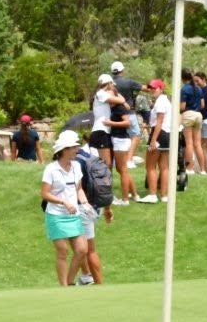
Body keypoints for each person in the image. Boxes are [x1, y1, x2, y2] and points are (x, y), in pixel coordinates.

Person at [40, 129, 90, 286]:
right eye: (74, 147)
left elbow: (79, 189)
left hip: (73, 215)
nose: (77, 150)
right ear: (65, 149)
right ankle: (64, 286)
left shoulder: (76, 166)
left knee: (82, 249)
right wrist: (64, 202)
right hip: (56, 215)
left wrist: (85, 203)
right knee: (63, 251)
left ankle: (69, 282)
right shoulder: (51, 169)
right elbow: (45, 194)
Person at [75, 141, 114, 284]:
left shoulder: (75, 163)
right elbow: (104, 185)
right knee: (80, 247)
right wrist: (108, 208)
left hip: (83, 208)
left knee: (88, 250)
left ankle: (99, 285)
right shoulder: (92, 158)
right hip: (97, 207)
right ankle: (86, 277)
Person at [139, 79, 171, 203]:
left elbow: (159, 122)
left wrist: (153, 140)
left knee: (150, 166)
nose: (152, 90)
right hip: (167, 134)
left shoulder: (161, 102)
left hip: (159, 134)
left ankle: (152, 195)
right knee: (164, 167)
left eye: (155, 88)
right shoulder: (165, 101)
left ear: (161, 89)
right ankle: (164, 195)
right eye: (151, 88)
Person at [107, 91, 137, 205]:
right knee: (121, 169)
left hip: (121, 140)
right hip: (118, 139)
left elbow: (127, 123)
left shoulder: (119, 108)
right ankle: (134, 194)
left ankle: (125, 199)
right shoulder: (112, 107)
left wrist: (111, 123)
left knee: (123, 170)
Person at [111, 61, 144, 163]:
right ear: (122, 70)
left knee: (118, 137)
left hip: (114, 114)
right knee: (136, 135)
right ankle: (128, 159)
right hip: (128, 113)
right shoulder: (128, 82)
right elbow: (144, 88)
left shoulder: (110, 83)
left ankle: (119, 159)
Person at [89, 74, 123, 167]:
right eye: (112, 84)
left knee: (108, 164)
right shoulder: (101, 94)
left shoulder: (101, 94)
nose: (113, 86)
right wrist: (118, 94)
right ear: (108, 83)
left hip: (104, 131)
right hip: (101, 130)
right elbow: (121, 100)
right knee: (106, 164)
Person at [179, 69, 205, 175]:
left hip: (188, 115)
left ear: (182, 78)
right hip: (198, 115)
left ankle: (190, 168)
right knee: (197, 144)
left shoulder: (184, 89)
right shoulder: (198, 88)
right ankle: (203, 170)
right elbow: (202, 105)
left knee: (189, 143)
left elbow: (182, 107)